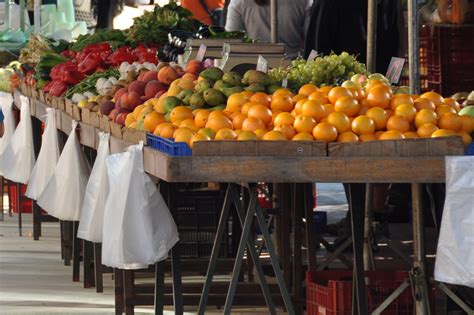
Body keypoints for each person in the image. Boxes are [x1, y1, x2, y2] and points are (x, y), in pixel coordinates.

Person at [304, 0, 401, 74]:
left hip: (381, 91)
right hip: (339, 91)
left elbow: (398, 45)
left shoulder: (390, 3)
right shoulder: (328, 3)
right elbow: (315, 48)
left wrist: (393, 81)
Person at [225, 0, 313, 56]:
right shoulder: (303, 2)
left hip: (252, 68)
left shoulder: (238, 2)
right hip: (292, 65)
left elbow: (231, 42)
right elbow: (312, 38)